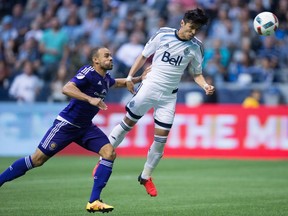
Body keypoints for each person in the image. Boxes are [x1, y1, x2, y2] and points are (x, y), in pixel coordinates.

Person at [0, 47, 146, 213]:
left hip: (85, 127)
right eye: (106, 56)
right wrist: (90, 98)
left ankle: (94, 201)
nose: (111, 58)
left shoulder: (105, 79)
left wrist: (140, 78)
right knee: (37, 160)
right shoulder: (88, 71)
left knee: (109, 153)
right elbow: (67, 88)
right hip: (66, 125)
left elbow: (119, 83)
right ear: (96, 60)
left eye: (111, 56)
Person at [106, 8, 215, 197]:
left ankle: (146, 176)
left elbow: (196, 73)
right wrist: (130, 77)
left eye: (197, 29)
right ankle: (103, 160)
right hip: (148, 88)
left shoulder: (197, 47)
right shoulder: (163, 34)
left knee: (161, 140)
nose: (193, 32)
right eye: (191, 28)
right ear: (182, 23)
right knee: (127, 124)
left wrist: (205, 85)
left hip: (169, 97)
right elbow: (143, 55)